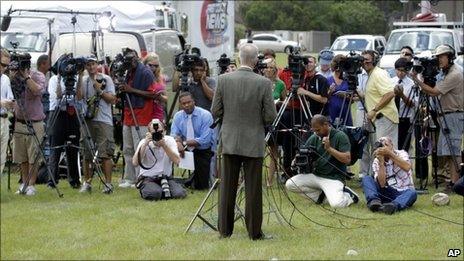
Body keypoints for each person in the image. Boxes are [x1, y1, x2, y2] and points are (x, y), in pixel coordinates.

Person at [211, 43, 277, 240]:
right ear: (256, 60)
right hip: (253, 141)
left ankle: (224, 230)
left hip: (230, 139)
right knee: (253, 191)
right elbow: (270, 116)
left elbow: (215, 111)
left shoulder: (223, 80)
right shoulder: (264, 83)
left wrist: (229, 120)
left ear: (239, 59)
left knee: (227, 189)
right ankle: (254, 232)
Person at [410, 44, 463, 187]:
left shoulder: (455, 74)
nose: (439, 60)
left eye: (441, 57)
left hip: (453, 115)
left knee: (453, 150)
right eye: (437, 57)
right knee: (448, 151)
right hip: (446, 115)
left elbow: (434, 92)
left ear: (450, 57)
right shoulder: (446, 72)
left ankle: (455, 183)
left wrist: (417, 80)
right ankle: (453, 181)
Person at [285, 115, 359, 208]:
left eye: (318, 130)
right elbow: (302, 152)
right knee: (290, 184)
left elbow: (347, 160)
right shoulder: (314, 137)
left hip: (333, 178)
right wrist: (296, 160)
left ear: (326, 124)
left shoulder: (340, 136)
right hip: (316, 175)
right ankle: (322, 196)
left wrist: (329, 149)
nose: (316, 132)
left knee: (337, 205)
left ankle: (348, 195)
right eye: (314, 130)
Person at [118, 48, 156, 188]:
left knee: (139, 147)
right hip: (128, 114)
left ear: (137, 58)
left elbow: (153, 95)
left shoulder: (146, 72)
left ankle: (141, 177)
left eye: (133, 59)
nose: (131, 62)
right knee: (127, 148)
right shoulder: (128, 71)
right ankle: (130, 178)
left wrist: (131, 90)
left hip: (141, 115)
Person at [78, 55, 117, 194]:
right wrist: (78, 77)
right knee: (87, 153)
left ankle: (108, 183)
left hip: (103, 120)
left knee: (105, 153)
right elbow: (79, 97)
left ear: (97, 65)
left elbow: (112, 99)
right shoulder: (83, 80)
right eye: (88, 64)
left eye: (93, 64)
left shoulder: (106, 79)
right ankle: (87, 182)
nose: (91, 67)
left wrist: (99, 90)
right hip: (88, 119)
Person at [11, 54, 46, 195]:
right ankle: (24, 184)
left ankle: (32, 185)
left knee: (34, 156)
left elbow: (38, 90)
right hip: (19, 121)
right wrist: (14, 76)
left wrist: (26, 76)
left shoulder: (37, 75)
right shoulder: (14, 77)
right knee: (22, 156)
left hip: (35, 121)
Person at [360, 50, 399, 179]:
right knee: (379, 150)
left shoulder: (379, 74)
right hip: (379, 119)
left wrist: (374, 110)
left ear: (374, 61)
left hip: (385, 117)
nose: (365, 62)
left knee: (386, 151)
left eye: (368, 59)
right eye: (363, 59)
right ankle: (382, 178)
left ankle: (392, 179)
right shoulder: (371, 74)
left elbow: (390, 93)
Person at [48, 56, 84, 189]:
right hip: (57, 114)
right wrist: (59, 78)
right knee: (55, 147)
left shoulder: (74, 78)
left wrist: (79, 77)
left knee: (73, 147)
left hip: (72, 113)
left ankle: (74, 180)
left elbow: (79, 96)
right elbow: (57, 96)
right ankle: (52, 179)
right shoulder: (53, 79)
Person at [133, 119, 186, 201]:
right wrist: (145, 144)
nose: (158, 135)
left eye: (160, 132)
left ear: (164, 131)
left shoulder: (169, 140)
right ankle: (155, 190)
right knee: (154, 194)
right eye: (154, 133)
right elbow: (135, 162)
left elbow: (177, 161)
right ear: (149, 133)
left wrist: (164, 146)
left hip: (166, 178)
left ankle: (163, 190)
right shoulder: (144, 142)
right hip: (149, 178)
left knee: (179, 194)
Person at [361, 136, 417, 214]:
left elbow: (407, 167)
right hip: (386, 191)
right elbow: (382, 184)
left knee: (412, 193)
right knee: (366, 178)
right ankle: (374, 202)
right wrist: (381, 163)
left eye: (386, 145)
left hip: (402, 192)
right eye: (381, 146)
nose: (384, 148)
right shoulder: (377, 160)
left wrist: (390, 154)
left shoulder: (401, 153)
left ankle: (393, 206)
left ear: (392, 145)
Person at [170, 92, 213, 190]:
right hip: (184, 149)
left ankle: (194, 181)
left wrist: (184, 143)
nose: (186, 105)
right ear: (180, 104)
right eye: (183, 103)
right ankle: (169, 180)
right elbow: (174, 134)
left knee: (201, 187)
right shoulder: (178, 116)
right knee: (167, 147)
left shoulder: (205, 115)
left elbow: (205, 140)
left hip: (202, 150)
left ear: (194, 101)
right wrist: (177, 142)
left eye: (189, 102)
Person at [263, 58, 286, 186]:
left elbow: (285, 101)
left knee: (274, 150)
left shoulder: (280, 84)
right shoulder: (259, 82)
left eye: (272, 67)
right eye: (267, 67)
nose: (269, 70)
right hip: (260, 119)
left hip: (275, 119)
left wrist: (278, 103)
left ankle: (270, 181)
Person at [392, 58, 417, 151]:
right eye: (398, 70)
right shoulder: (391, 81)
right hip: (392, 118)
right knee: (393, 145)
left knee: (403, 148)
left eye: (403, 70)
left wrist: (402, 95)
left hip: (404, 118)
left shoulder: (411, 84)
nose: (401, 73)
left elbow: (412, 104)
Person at [326, 54, 353, 127]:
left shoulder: (348, 80)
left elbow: (353, 98)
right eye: (337, 65)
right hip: (332, 111)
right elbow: (325, 99)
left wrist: (346, 96)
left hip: (345, 112)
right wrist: (330, 92)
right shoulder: (328, 80)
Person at [0, 48, 14, 175]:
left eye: (7, 66)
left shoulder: (5, 79)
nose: (4, 68)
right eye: (3, 65)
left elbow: (9, 98)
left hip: (4, 119)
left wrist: (11, 103)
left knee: (2, 158)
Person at [143, 53, 168, 121]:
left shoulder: (161, 78)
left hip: (158, 113)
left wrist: (160, 97)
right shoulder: (141, 77)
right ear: (145, 64)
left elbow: (166, 98)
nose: (153, 68)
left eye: (156, 66)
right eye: (150, 65)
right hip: (144, 112)